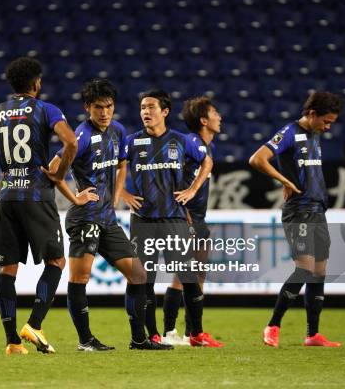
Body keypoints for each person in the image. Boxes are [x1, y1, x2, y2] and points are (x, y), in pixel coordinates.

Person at [0, 57, 77, 355]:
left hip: (7, 195)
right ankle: (34, 324)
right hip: (36, 194)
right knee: (56, 262)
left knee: (7, 270)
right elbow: (71, 143)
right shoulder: (46, 110)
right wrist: (59, 174)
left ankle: (12, 342)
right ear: (36, 83)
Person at [48, 78, 170, 351]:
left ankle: (138, 339)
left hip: (107, 220)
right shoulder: (79, 136)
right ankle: (85, 340)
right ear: (87, 108)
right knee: (80, 278)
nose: (104, 113)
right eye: (98, 107)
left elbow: (122, 164)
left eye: (109, 106)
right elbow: (53, 170)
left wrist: (116, 197)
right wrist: (75, 197)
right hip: (84, 218)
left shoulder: (117, 130)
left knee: (138, 274)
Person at [121, 90, 222, 347]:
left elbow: (207, 162)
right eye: (143, 107)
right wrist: (123, 193)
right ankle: (153, 334)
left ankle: (196, 333)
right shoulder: (131, 142)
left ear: (164, 111)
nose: (146, 112)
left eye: (151, 107)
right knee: (145, 279)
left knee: (188, 276)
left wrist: (193, 190)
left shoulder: (181, 140)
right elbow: (113, 169)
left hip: (175, 219)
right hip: (143, 220)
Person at [249, 91, 344, 348]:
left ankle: (312, 335)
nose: (327, 127)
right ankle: (273, 325)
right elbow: (257, 159)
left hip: (317, 209)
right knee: (305, 268)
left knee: (319, 272)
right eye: (326, 121)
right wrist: (284, 180)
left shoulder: (314, 134)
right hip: (298, 211)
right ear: (312, 114)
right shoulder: (289, 132)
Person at [160, 96, 221, 346]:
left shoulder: (205, 147)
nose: (220, 117)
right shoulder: (189, 143)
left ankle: (182, 332)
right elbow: (169, 177)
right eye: (215, 113)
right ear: (204, 120)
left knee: (195, 275)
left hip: (197, 217)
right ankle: (187, 333)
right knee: (188, 276)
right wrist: (181, 208)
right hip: (186, 217)